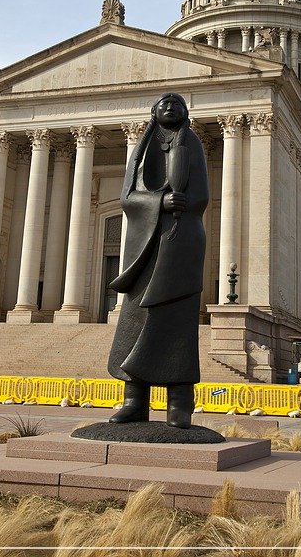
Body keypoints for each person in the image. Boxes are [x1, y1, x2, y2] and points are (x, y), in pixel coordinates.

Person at [107, 92, 209, 428]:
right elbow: (126, 197)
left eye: (177, 104)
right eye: (164, 104)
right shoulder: (140, 150)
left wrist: (180, 204)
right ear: (154, 111)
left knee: (177, 324)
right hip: (144, 247)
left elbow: (201, 196)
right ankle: (134, 400)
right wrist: (160, 202)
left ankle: (179, 402)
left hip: (180, 243)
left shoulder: (192, 145)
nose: (170, 107)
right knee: (135, 321)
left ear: (185, 113)